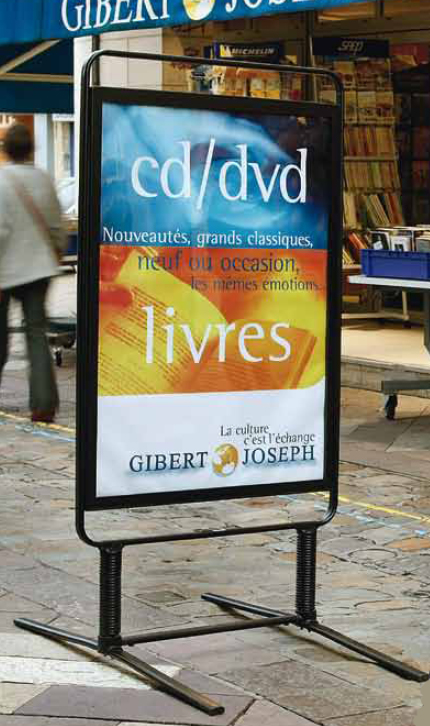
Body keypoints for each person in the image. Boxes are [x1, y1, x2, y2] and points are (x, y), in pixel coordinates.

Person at [0, 124, 67, 423]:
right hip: (39, 270)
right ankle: (43, 404)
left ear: (6, 150)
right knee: (36, 333)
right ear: (31, 149)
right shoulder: (43, 179)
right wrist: (57, 251)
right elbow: (57, 225)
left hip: (5, 271)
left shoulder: (1, 181)